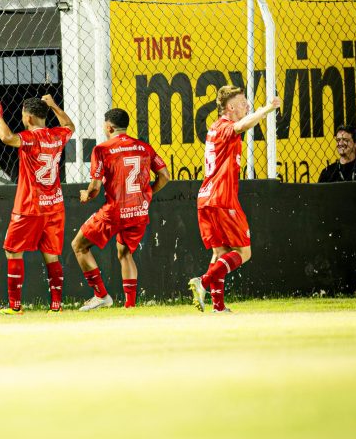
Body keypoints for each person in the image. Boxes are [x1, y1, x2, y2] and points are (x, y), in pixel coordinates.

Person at [188, 86, 281, 313]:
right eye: (242, 103)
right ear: (230, 108)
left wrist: (256, 111)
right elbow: (242, 125)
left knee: (220, 254)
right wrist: (268, 108)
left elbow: (243, 124)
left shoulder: (215, 128)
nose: (247, 106)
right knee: (244, 253)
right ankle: (204, 281)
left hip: (206, 199)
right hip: (222, 198)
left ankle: (218, 307)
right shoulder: (225, 127)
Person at [72, 108, 170, 311]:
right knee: (125, 253)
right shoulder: (144, 147)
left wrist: (85, 195)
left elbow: (95, 188)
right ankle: (130, 305)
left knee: (79, 246)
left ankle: (101, 295)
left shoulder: (102, 149)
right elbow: (165, 176)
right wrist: (147, 194)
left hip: (115, 210)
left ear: (109, 127)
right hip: (139, 210)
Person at [0, 96, 75, 314]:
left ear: (29, 117)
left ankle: (15, 307)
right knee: (51, 255)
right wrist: (54, 105)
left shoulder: (29, 138)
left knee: (13, 251)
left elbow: (6, 137)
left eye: (23, 115)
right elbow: (70, 126)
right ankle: (57, 305)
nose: (22, 118)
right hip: (54, 206)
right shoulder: (57, 135)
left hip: (29, 206)